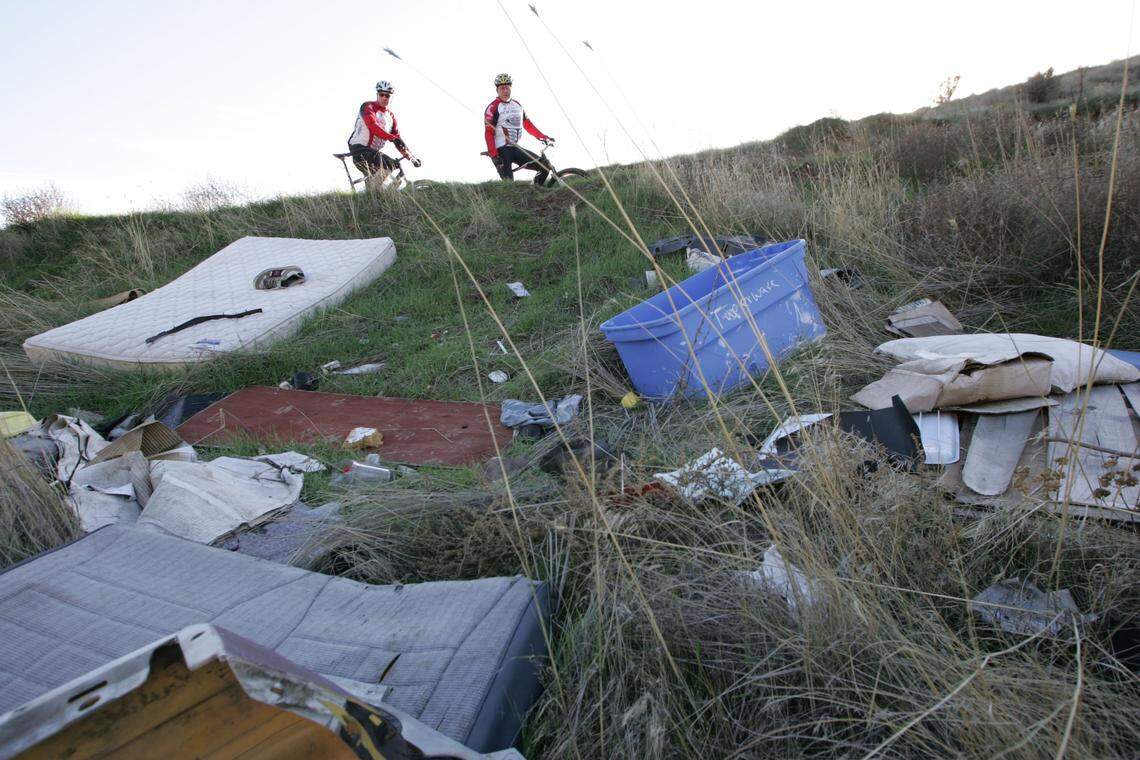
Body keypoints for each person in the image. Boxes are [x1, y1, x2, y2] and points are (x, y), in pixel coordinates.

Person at [483, 73, 555, 185]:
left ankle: (535, 192)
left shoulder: (517, 105)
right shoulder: (493, 107)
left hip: (515, 148)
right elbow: (488, 133)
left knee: (544, 167)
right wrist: (494, 155)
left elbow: (528, 125)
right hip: (501, 151)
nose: (505, 90)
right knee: (509, 185)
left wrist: (542, 136)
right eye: (502, 88)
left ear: (511, 88)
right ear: (497, 90)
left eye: (507, 87)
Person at [348, 80, 421, 189]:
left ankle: (374, 196)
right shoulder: (368, 107)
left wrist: (411, 158)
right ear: (377, 95)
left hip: (373, 154)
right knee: (389, 163)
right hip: (359, 149)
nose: (384, 98)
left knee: (391, 167)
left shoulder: (390, 117)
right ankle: (372, 193)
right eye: (381, 94)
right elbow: (372, 125)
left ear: (391, 97)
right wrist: (392, 138)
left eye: (387, 95)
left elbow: (398, 140)